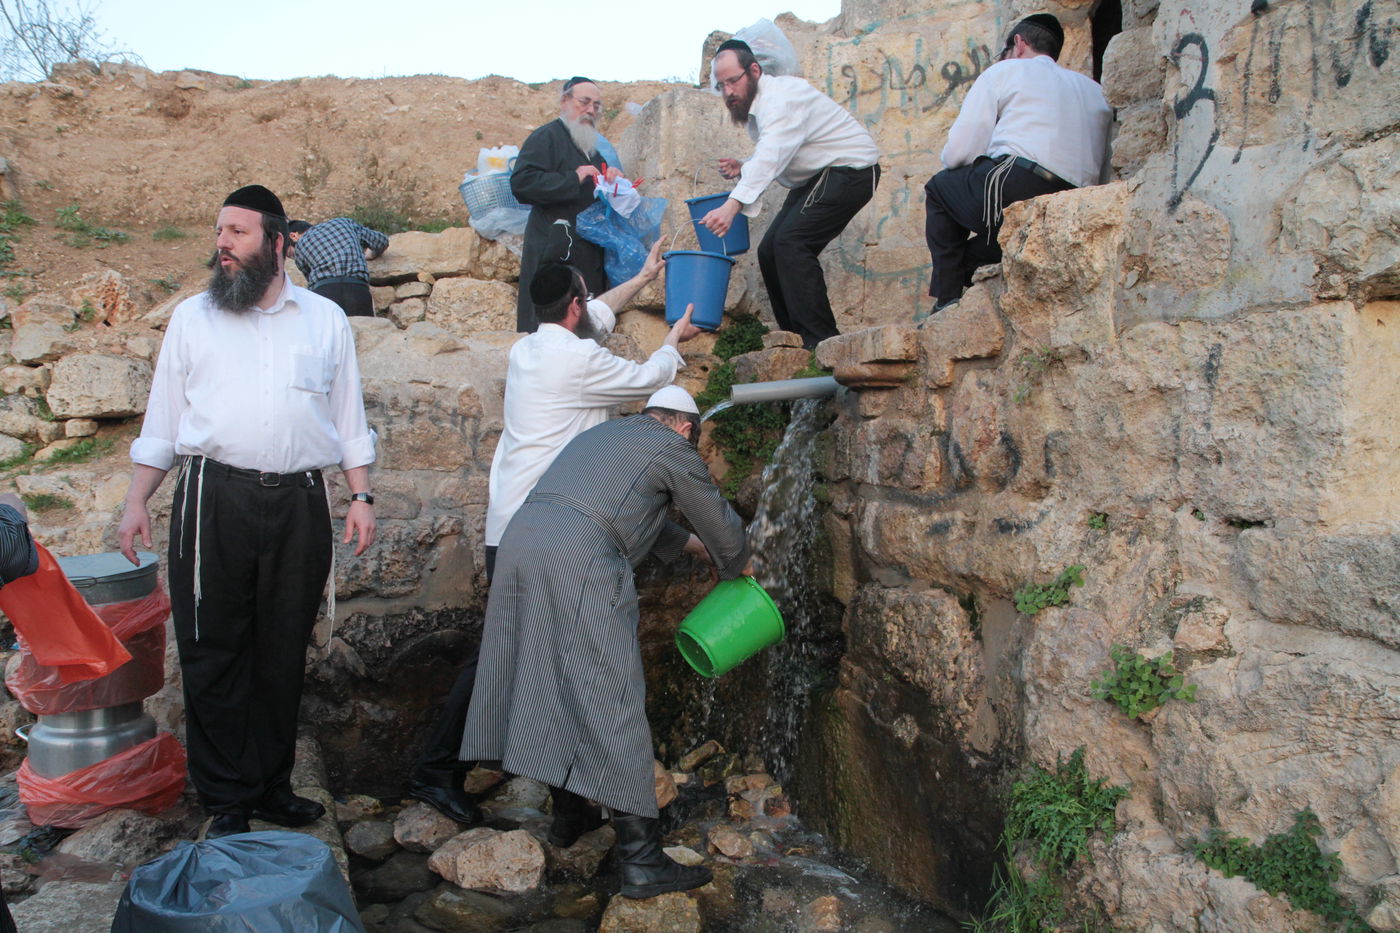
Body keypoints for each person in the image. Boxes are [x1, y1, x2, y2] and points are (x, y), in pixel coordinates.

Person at [405, 243, 703, 826]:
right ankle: (438, 772)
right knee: (518, 657)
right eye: (584, 301)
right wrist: (673, 341)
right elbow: (647, 377)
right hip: (547, 530)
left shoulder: (531, 349)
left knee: (537, 655)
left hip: (515, 524)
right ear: (573, 305)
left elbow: (598, 318)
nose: (590, 309)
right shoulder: (576, 363)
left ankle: (570, 803)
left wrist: (642, 277)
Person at [117, 185, 378, 840]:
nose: (222, 243)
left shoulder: (324, 320)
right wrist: (134, 499)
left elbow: (348, 418)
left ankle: (271, 784)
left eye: (237, 231)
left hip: (299, 501)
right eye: (219, 231)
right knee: (213, 646)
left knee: (283, 645)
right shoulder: (192, 318)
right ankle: (227, 793)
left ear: (279, 243)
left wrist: (362, 494)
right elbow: (163, 423)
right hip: (213, 497)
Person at [461, 385, 749, 898]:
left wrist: (697, 550)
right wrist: (736, 561)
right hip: (579, 559)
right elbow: (722, 527)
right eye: (694, 439)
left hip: (521, 545)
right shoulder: (671, 446)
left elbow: (636, 516)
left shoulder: (606, 436)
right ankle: (642, 861)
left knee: (545, 682)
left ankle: (571, 817)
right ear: (685, 427)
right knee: (613, 698)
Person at [922, 13, 1112, 317]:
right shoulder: (1093, 89)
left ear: (1019, 44)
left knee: (941, 188)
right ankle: (961, 299)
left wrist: (960, 169)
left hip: (1018, 181)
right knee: (972, 261)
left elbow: (960, 150)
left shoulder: (1007, 70)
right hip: (1076, 201)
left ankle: (945, 300)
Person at [699, 39, 881, 350]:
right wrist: (744, 166)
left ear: (754, 70)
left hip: (850, 170)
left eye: (733, 81)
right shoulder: (760, 105)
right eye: (721, 85)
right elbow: (776, 149)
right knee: (769, 251)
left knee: (791, 243)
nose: (728, 91)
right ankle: (794, 339)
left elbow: (772, 155)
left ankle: (822, 343)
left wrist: (732, 206)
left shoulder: (782, 97)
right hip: (818, 176)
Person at [512, 76, 622, 332]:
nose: (591, 110)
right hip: (552, 255)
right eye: (584, 102)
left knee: (585, 334)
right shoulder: (546, 137)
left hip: (586, 256)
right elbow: (522, 183)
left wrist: (613, 180)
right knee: (548, 332)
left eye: (597, 106)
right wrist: (573, 177)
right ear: (564, 101)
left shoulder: (592, 150)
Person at [286, 216, 389, 317]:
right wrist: (369, 254)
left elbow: (312, 285)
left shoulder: (300, 245)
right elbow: (381, 241)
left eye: (291, 254)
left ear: (294, 236)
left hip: (325, 293)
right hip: (358, 289)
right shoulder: (343, 223)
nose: (294, 257)